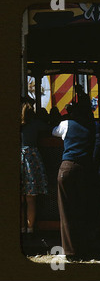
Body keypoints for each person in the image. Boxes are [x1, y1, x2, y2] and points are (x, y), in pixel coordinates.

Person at [52, 101, 96, 260]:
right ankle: (83, 248)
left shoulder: (66, 124)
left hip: (68, 167)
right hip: (85, 169)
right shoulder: (92, 126)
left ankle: (69, 251)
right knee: (82, 209)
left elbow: (54, 132)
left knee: (66, 211)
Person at [20, 101, 50, 235]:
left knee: (19, 199)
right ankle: (30, 229)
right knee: (30, 199)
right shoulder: (36, 125)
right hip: (31, 159)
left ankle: (20, 228)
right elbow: (49, 128)